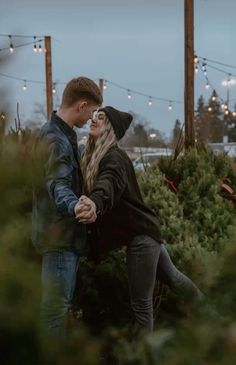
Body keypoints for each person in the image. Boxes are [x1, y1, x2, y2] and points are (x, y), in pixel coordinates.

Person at [75, 106, 203, 332]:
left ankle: (144, 355)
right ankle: (210, 314)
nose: (94, 120)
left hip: (141, 237)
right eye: (95, 116)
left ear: (111, 129)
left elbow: (109, 183)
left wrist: (94, 202)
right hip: (145, 231)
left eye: (101, 118)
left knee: (141, 304)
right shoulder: (93, 155)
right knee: (174, 278)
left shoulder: (114, 157)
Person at [32, 77, 102, 338]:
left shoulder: (59, 134)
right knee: (54, 312)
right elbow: (57, 184)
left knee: (56, 310)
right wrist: (77, 208)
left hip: (60, 238)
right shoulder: (57, 139)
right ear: (82, 105)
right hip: (60, 239)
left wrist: (92, 143)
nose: (92, 117)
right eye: (93, 111)